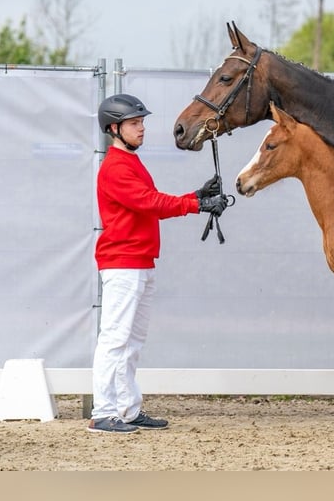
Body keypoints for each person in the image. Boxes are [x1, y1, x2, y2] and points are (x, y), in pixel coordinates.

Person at [88, 93, 228, 433]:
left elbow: (153, 201)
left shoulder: (131, 163)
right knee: (115, 339)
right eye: (135, 124)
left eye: (142, 123)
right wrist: (196, 203)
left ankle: (127, 408)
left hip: (139, 261)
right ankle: (103, 412)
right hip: (123, 262)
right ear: (114, 128)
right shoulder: (115, 168)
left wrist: (195, 196)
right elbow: (150, 203)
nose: (142, 129)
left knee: (132, 341)